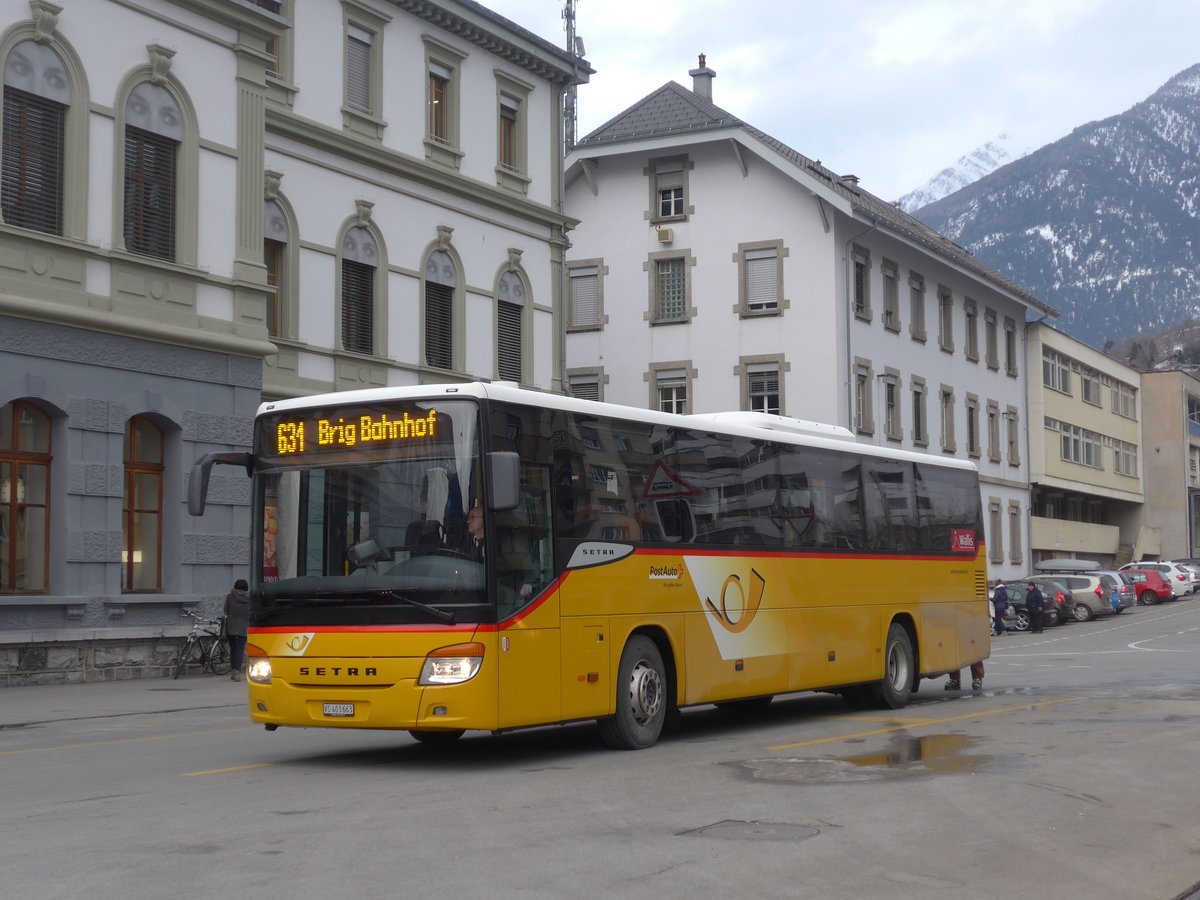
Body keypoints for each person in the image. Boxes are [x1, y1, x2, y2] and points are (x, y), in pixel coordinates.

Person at [224, 579, 250, 682]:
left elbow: (225, 610)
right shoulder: (250, 599)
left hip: (231, 626)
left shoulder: (230, 597)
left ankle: (233, 671)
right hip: (244, 627)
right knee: (240, 649)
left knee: (233, 649)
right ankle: (237, 672)